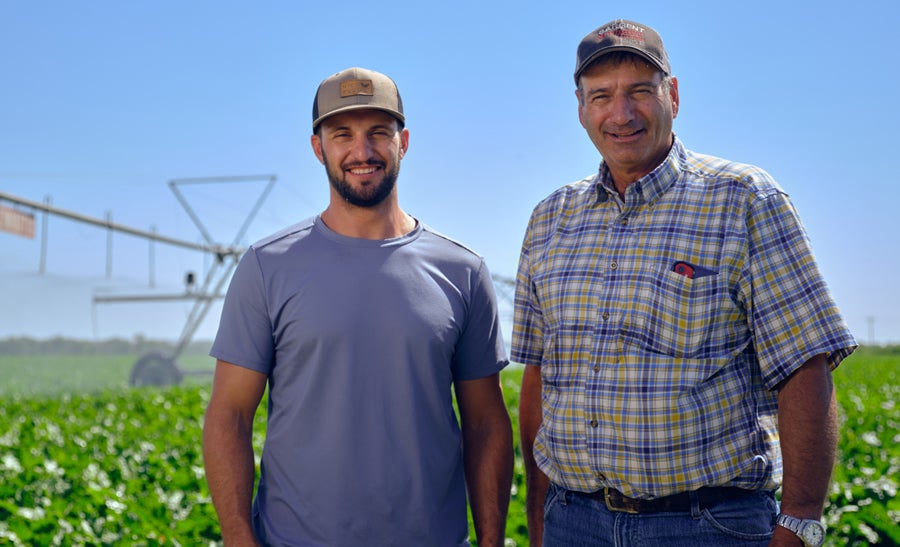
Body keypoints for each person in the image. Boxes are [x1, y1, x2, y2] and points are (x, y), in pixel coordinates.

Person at [512, 20, 856, 547]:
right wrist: (540, 523)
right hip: (574, 521)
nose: (621, 114)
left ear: (672, 94)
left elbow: (805, 366)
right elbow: (539, 376)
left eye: (639, 92)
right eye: (601, 96)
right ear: (581, 108)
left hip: (707, 525)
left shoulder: (742, 199)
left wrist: (800, 522)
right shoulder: (550, 218)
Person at [202, 66, 513, 547]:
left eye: (378, 134)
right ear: (318, 147)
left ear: (403, 142)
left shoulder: (463, 272)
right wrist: (240, 539)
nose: (362, 152)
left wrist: (491, 541)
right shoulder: (267, 267)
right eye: (342, 134)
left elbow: (485, 422)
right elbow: (229, 416)